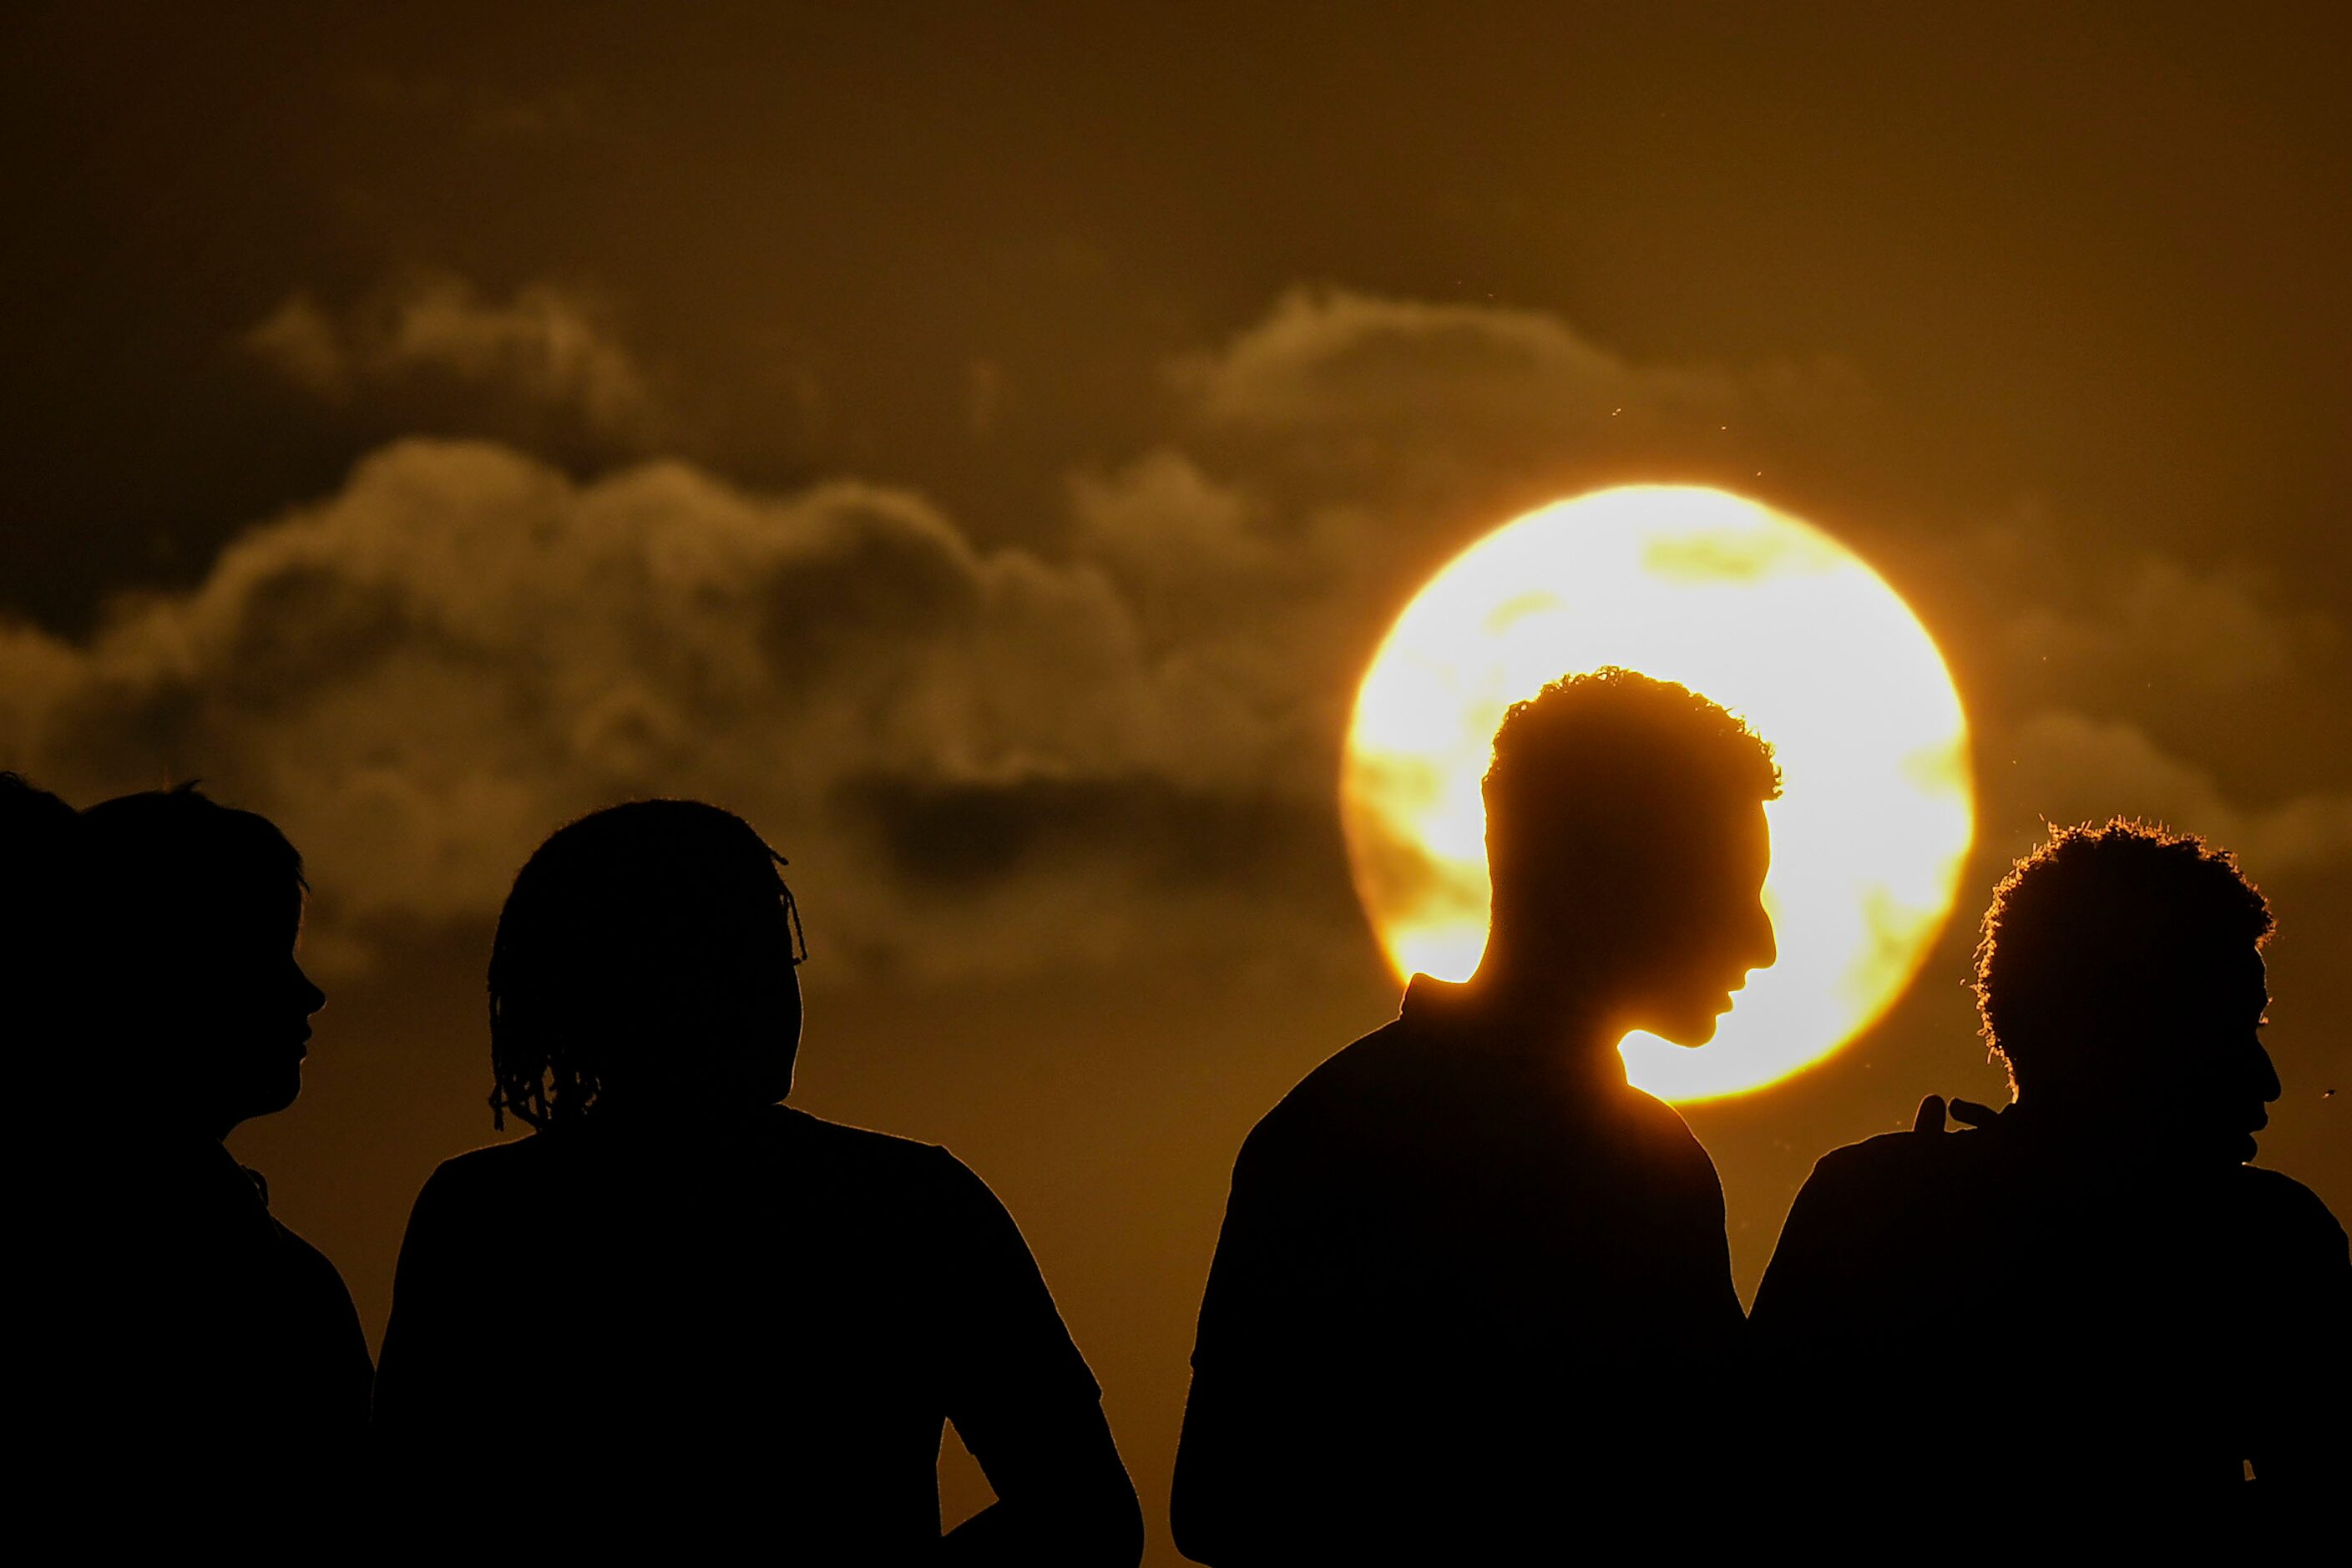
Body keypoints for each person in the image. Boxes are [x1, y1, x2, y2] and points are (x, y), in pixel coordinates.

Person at [372, 799, 1142, 1564]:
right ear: (619, 993)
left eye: (776, 958)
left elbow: (407, 1524)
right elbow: (1085, 1513)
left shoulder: (484, 1218)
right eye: (726, 962)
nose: (774, 994)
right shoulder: (912, 1205)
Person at [1171, 668, 1781, 1563]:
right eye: (1729, 887)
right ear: (1604, 879)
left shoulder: (1322, 1131)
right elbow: (1222, 1501)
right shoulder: (1651, 1171)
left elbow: (1220, 1501)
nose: (1760, 943)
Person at [1750, 821, 2349, 1529]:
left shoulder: (1869, 1204)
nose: (2266, 1080)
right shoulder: (2265, 1244)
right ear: (2116, 1035)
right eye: (2226, 1030)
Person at [40, 785, 369, 1525]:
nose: (310, 993)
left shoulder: (279, 1269)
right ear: (157, 972)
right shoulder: (265, 1280)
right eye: (265, 955)